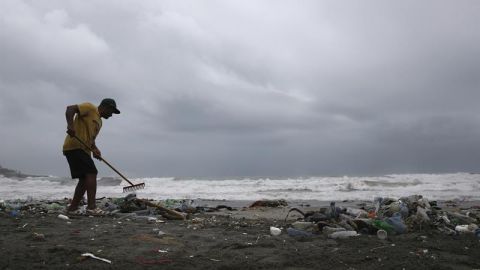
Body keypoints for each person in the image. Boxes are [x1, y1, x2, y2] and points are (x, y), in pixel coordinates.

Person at [63, 98, 120, 215]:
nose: (112, 115)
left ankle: (72, 208)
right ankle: (91, 207)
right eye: (111, 111)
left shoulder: (100, 122)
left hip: (83, 150)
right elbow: (70, 109)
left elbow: (91, 140)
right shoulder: (89, 108)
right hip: (74, 146)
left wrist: (95, 149)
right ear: (105, 107)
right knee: (91, 173)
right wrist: (70, 125)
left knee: (84, 179)